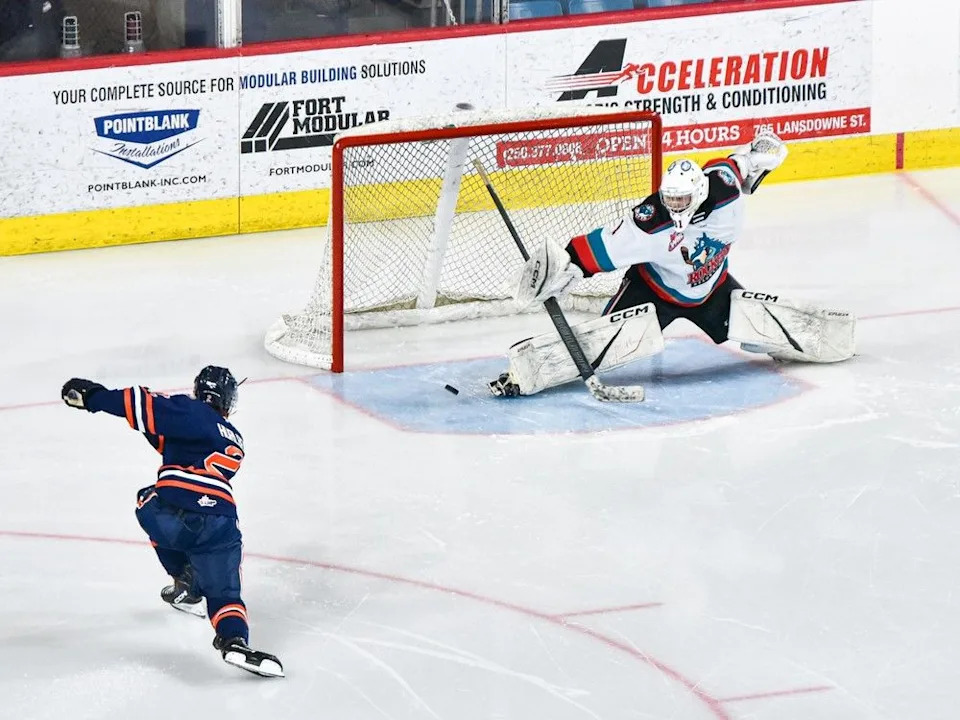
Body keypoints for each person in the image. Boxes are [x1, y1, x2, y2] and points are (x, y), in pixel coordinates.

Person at [491, 130, 855, 397]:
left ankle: (804, 343)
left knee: (758, 334)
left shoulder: (725, 191)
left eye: (682, 200)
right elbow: (603, 247)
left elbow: (738, 163)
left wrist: (761, 154)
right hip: (652, 291)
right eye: (670, 198)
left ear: (698, 194)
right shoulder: (651, 221)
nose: (674, 205)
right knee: (605, 345)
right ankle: (525, 374)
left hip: (712, 290)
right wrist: (567, 266)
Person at [61, 367, 284, 677]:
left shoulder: (191, 411)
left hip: (178, 510)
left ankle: (185, 578)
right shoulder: (233, 435)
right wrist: (149, 423)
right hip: (222, 521)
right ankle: (235, 641)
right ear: (229, 401)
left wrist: (93, 396)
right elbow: (172, 435)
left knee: (147, 500)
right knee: (225, 593)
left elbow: (142, 405)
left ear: (198, 393)